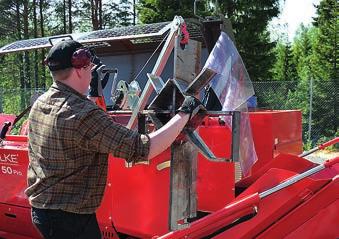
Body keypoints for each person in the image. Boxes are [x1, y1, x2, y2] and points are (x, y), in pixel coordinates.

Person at [25, 39, 205, 239]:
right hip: (70, 220)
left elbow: (78, 130)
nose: (92, 72)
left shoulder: (41, 103)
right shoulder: (84, 114)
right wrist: (184, 113)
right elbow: (143, 148)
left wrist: (93, 94)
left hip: (43, 211)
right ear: (79, 69)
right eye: (90, 68)